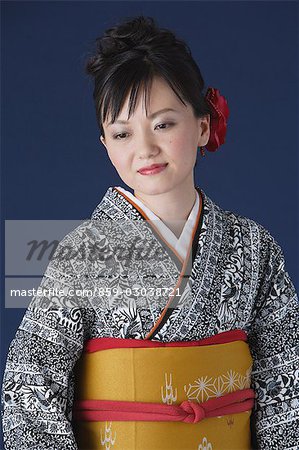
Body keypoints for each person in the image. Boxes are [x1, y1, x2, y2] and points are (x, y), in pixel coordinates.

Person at [1, 15, 298, 450]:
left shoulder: (254, 247)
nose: (145, 148)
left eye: (162, 124)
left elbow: (286, 377)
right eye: (122, 132)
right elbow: (30, 384)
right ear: (105, 144)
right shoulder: (82, 252)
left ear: (201, 125)